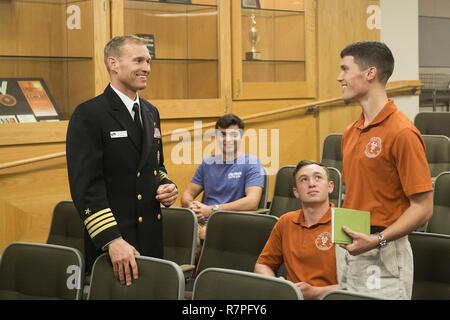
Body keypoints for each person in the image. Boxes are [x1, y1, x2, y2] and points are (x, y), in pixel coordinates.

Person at [66, 35, 178, 286]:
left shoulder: (150, 111)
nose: (146, 68)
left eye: (148, 61)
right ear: (113, 64)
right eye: (138, 60)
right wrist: (112, 240)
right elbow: (86, 187)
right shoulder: (90, 114)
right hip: (115, 244)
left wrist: (166, 185)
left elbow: (155, 166)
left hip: (151, 238)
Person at [336, 41, 433, 299]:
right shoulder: (350, 131)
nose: (339, 77)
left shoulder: (402, 132)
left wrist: (377, 240)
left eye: (345, 69)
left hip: (383, 250)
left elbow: (423, 208)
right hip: (350, 249)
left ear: (370, 73)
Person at [255, 160, 339, 300]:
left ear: (330, 186)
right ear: (296, 192)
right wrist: (278, 284)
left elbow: (361, 283)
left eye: (318, 177)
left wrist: (316, 292)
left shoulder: (346, 221)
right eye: (304, 179)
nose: (311, 183)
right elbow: (262, 265)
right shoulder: (285, 222)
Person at [181, 114, 264, 241]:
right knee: (175, 230)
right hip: (203, 220)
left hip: (231, 220)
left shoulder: (251, 163)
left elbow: (252, 202)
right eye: (223, 134)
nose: (227, 139)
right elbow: (187, 194)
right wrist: (193, 206)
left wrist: (213, 210)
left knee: (200, 235)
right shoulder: (208, 163)